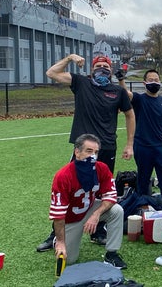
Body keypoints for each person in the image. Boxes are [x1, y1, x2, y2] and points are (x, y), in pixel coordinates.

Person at [39, 54, 135, 251]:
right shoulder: (81, 83)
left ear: (110, 69)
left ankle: (98, 230)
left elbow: (130, 114)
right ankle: (55, 235)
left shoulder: (118, 91)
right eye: (98, 66)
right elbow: (51, 73)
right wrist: (70, 58)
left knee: (102, 189)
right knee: (71, 188)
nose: (102, 69)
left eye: (106, 66)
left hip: (107, 147)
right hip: (83, 148)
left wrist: (129, 144)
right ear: (92, 69)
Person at [49, 134, 127, 269]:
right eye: (89, 151)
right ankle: (59, 238)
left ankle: (111, 254)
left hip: (89, 208)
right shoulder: (63, 176)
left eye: (96, 152)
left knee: (116, 210)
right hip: (71, 218)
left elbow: (111, 195)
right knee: (70, 260)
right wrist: (61, 242)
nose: (93, 156)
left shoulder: (101, 168)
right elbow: (58, 213)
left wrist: (95, 215)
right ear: (77, 152)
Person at [118, 69, 162, 196]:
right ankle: (143, 206)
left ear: (160, 82)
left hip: (161, 147)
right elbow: (126, 94)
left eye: (156, 80)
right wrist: (121, 80)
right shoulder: (139, 99)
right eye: (151, 80)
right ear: (144, 83)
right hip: (143, 146)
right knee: (143, 180)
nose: (154, 82)